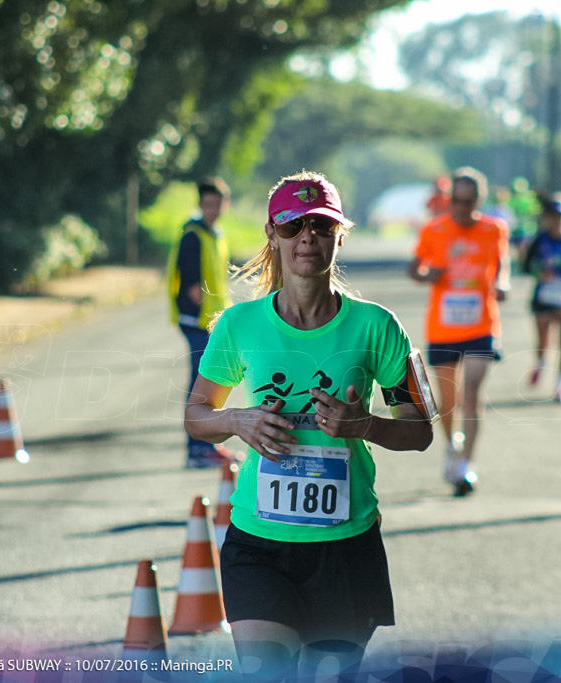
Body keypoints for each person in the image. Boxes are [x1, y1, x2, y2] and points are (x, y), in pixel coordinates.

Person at [184, 171, 434, 681]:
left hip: (346, 548)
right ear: (272, 236)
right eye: (293, 226)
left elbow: (420, 429)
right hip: (259, 544)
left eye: (320, 226)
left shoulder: (377, 326)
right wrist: (237, 420)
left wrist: (364, 425)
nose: (307, 238)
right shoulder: (239, 325)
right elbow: (196, 416)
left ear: (339, 236)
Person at [408, 167, 510, 496]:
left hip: (481, 324)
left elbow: (501, 264)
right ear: (449, 199)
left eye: (468, 202)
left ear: (479, 200)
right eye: (456, 201)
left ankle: (466, 464)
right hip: (443, 328)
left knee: (472, 396)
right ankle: (453, 448)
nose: (461, 208)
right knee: (448, 403)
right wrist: (428, 277)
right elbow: (414, 268)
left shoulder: (494, 229)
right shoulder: (434, 229)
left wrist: (503, 284)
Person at [166, 177, 237, 469]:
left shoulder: (215, 234)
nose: (213, 209)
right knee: (204, 384)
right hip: (196, 320)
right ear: (200, 204)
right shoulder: (193, 235)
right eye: (208, 204)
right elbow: (193, 285)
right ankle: (199, 449)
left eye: (218, 204)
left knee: (209, 381)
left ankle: (205, 446)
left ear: (225, 204)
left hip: (211, 321)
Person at [522, 193, 561, 405]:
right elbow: (526, 266)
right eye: (554, 216)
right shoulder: (539, 240)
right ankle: (540, 362)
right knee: (543, 342)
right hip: (543, 297)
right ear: (548, 218)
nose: (558, 220)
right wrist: (541, 273)